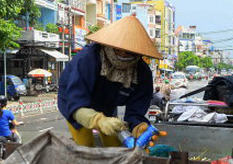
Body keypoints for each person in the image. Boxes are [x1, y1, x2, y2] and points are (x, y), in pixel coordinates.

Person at [57, 15, 162, 147]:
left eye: (130, 52)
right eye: (119, 49)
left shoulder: (142, 73)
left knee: (115, 147)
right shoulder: (87, 59)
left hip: (110, 107)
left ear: (139, 53)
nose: (123, 55)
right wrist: (98, 121)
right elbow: (76, 101)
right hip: (77, 104)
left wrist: (138, 126)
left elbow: (135, 110)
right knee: (85, 147)